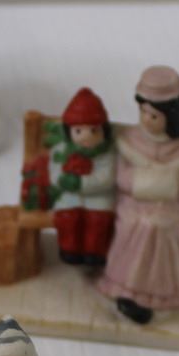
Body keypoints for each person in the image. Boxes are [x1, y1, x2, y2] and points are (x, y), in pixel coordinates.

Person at [97, 66, 179, 324]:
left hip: (171, 204)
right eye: (143, 112)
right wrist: (144, 183)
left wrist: (170, 185)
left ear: (172, 116)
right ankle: (125, 290)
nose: (147, 120)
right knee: (135, 224)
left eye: (155, 115)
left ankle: (156, 296)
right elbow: (121, 176)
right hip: (134, 201)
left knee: (156, 227)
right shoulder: (130, 140)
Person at [46, 88, 116, 266]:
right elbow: (54, 171)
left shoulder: (106, 153)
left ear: (104, 130)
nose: (86, 137)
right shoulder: (61, 151)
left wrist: (82, 182)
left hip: (99, 196)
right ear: (69, 131)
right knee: (68, 218)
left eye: (94, 131)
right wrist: (63, 180)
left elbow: (106, 177)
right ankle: (69, 250)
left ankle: (95, 253)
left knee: (98, 221)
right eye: (78, 131)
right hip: (69, 196)